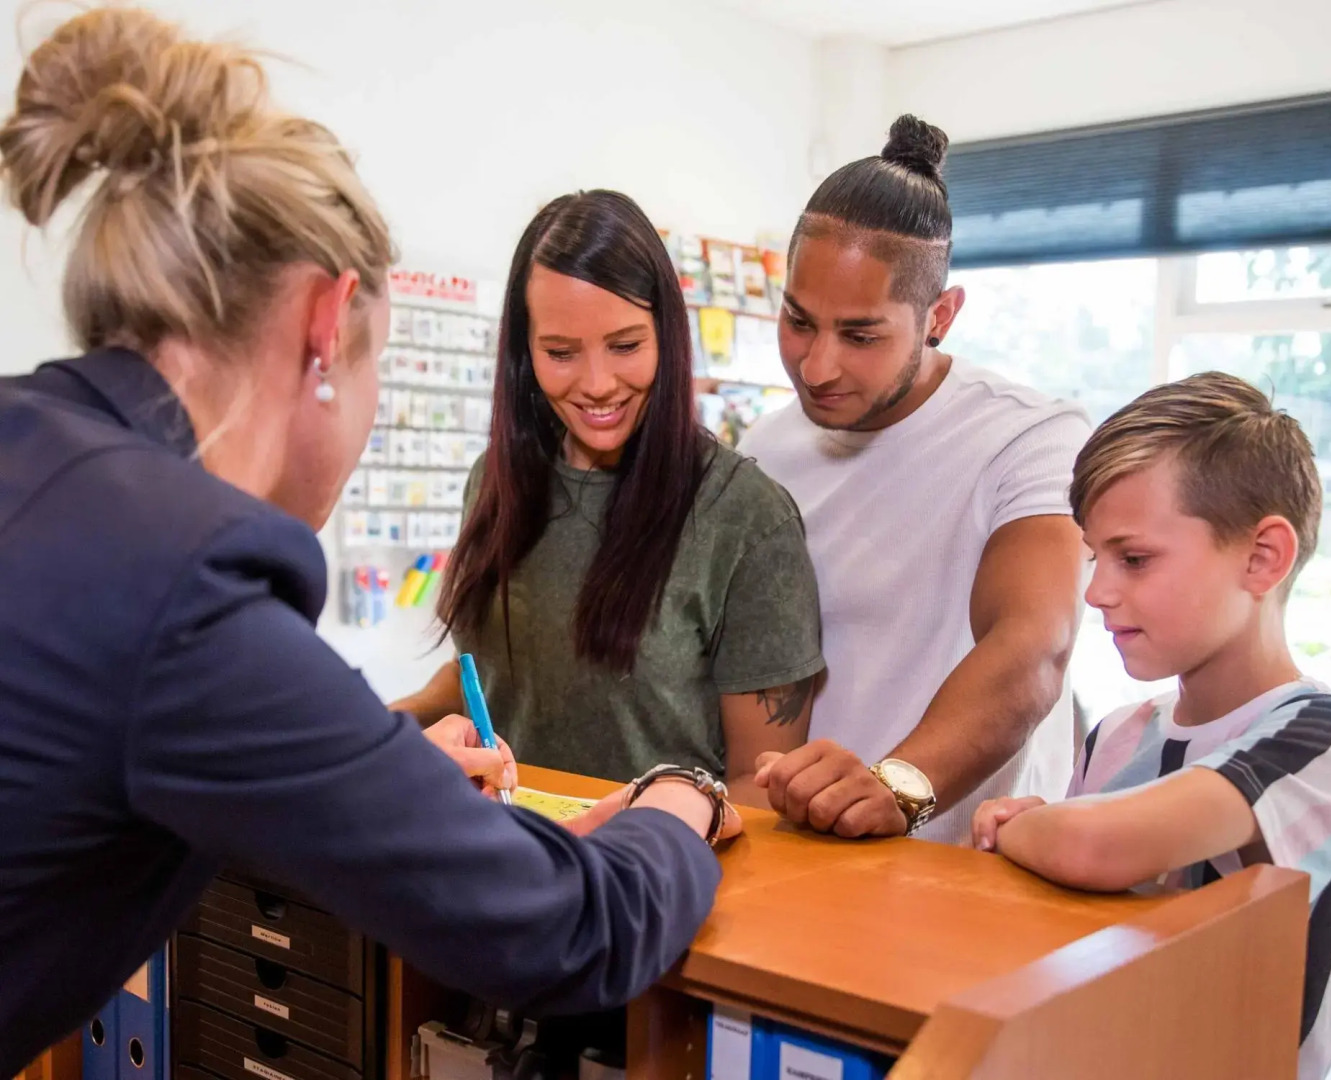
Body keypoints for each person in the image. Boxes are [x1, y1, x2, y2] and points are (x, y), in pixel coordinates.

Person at [0, 11, 739, 1076]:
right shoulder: (182, 579)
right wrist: (682, 799)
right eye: (377, 361)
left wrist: (378, 778)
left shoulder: (40, 453)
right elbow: (576, 932)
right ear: (323, 325)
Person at [971, 373, 1331, 1080]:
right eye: (1094, 558)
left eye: (1133, 558)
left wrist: (1024, 827)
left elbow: (1095, 847)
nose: (1098, 592)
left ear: (1263, 558)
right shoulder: (1117, 734)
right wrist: (1048, 829)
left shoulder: (1326, 732)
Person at [392, 191, 825, 807]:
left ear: (667, 338)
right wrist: (384, 729)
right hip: (500, 862)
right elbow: (491, 679)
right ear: (524, 352)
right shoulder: (496, 479)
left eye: (625, 346)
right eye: (561, 353)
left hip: (655, 880)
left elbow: (757, 785)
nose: (597, 385)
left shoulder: (746, 518)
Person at [740, 115, 1089, 843]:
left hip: (955, 869)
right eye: (798, 321)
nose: (816, 365)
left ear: (941, 316)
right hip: (793, 853)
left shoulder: (1028, 438)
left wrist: (895, 787)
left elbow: (1032, 644)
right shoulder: (761, 451)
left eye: (861, 335)